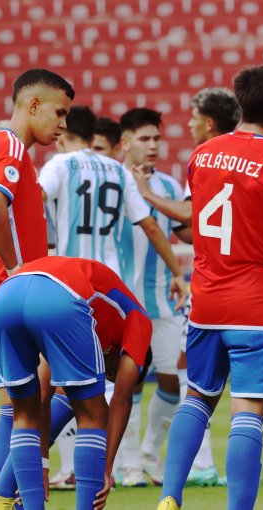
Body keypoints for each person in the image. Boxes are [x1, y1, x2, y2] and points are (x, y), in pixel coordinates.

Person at [157, 65, 263, 510]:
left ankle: (170, 496)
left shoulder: (202, 155)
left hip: (206, 299)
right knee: (248, 413)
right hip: (257, 305)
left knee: (198, 397)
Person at [37, 105, 187, 489]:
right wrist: (175, 271)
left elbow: (34, 198)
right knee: (106, 386)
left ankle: (32, 463)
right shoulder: (118, 171)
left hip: (71, 287)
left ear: (66, 131)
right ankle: (93, 469)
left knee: (57, 384)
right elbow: (152, 227)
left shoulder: (62, 165)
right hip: (115, 294)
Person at [0, 256, 155, 510]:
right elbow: (122, 399)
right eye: (111, 374)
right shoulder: (139, 322)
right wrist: (106, 467)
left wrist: (42, 463)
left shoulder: (98, 319)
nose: (108, 376)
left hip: (5, 295)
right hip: (58, 296)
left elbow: (45, 396)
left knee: (25, 412)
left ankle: (0, 494)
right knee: (94, 411)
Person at [0, 68, 73, 494]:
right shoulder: (11, 147)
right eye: (60, 112)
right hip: (12, 287)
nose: (63, 124)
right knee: (55, 390)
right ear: (33, 105)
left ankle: (15, 490)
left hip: (0, 286)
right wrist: (17, 270)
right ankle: (6, 493)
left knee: (23, 401)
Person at [113, 107, 188, 486]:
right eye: (144, 138)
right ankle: (128, 467)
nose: (153, 145)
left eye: (157, 138)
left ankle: (150, 454)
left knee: (173, 381)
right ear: (124, 143)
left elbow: (187, 231)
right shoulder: (111, 182)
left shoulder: (171, 185)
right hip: (123, 301)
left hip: (161, 298)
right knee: (130, 383)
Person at [131, 87, 241, 226]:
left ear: (208, 124)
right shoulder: (245, 155)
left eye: (194, 118)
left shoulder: (205, 159)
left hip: (221, 247)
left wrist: (147, 193)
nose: (190, 124)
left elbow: (190, 213)